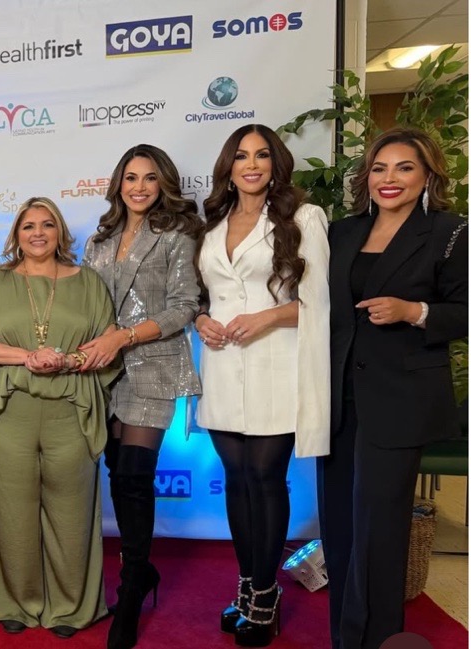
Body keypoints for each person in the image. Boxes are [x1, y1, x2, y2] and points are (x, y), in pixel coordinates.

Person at [318, 127, 467, 649]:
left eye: (405, 168)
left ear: (427, 175)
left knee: (380, 528)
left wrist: (414, 311)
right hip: (338, 398)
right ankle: (343, 638)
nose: (390, 178)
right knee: (339, 526)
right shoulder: (341, 232)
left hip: (400, 400)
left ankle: (376, 639)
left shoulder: (451, 231)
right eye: (380, 168)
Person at [194, 124, 330, 647]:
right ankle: (247, 585)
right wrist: (201, 321)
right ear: (228, 167)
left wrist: (268, 316)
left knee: (265, 478)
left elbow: (318, 301)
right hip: (222, 366)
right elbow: (206, 295)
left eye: (262, 155)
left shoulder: (303, 218)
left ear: (276, 164)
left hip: (277, 364)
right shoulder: (212, 223)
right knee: (237, 481)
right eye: (241, 156)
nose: (251, 165)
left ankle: (266, 599)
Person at [0, 197, 118, 640]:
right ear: (16, 234)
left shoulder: (88, 282)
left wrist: (67, 360)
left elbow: (107, 343)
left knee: (72, 514)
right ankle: (16, 601)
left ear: (60, 233)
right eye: (28, 225)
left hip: (71, 410)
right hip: (9, 411)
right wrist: (27, 357)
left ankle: (70, 606)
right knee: (11, 513)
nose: (37, 233)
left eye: (47, 224)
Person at [80, 144, 203, 648]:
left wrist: (124, 336)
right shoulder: (99, 240)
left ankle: (131, 588)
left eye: (150, 178)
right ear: (118, 184)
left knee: (134, 474)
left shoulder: (177, 235)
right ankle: (142, 570)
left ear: (163, 183)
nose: (139, 187)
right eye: (131, 177)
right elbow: (84, 302)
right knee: (117, 471)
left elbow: (185, 306)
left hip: (152, 365)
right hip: (103, 371)